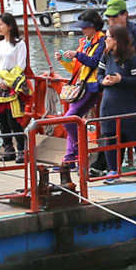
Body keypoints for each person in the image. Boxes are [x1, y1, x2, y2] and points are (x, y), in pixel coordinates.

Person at [90, 0, 136, 176]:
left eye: (114, 16)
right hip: (113, 95)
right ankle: (110, 168)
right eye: (109, 17)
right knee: (110, 132)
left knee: (132, 131)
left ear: (125, 15)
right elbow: (100, 70)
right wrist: (103, 82)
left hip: (132, 92)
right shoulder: (107, 50)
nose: (111, 20)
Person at [97, 24, 136, 185]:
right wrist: (103, 81)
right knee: (109, 137)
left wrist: (121, 80)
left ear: (116, 40)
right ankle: (112, 171)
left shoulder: (132, 58)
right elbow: (99, 75)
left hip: (128, 105)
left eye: (107, 37)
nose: (105, 39)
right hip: (108, 105)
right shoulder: (106, 55)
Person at [56, 10, 106, 167]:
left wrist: (77, 55)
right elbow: (77, 67)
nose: (82, 29)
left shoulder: (102, 41)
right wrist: (64, 60)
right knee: (71, 120)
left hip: (92, 88)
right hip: (82, 86)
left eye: (85, 26)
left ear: (93, 26)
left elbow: (95, 62)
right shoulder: (85, 42)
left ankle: (78, 151)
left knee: (69, 119)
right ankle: (70, 158)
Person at [0, 12, 28, 163]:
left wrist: (9, 82)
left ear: (10, 26)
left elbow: (21, 65)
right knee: (2, 119)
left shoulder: (19, 44)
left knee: (14, 119)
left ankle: (21, 149)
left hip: (13, 85)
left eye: (1, 24)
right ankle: (8, 148)